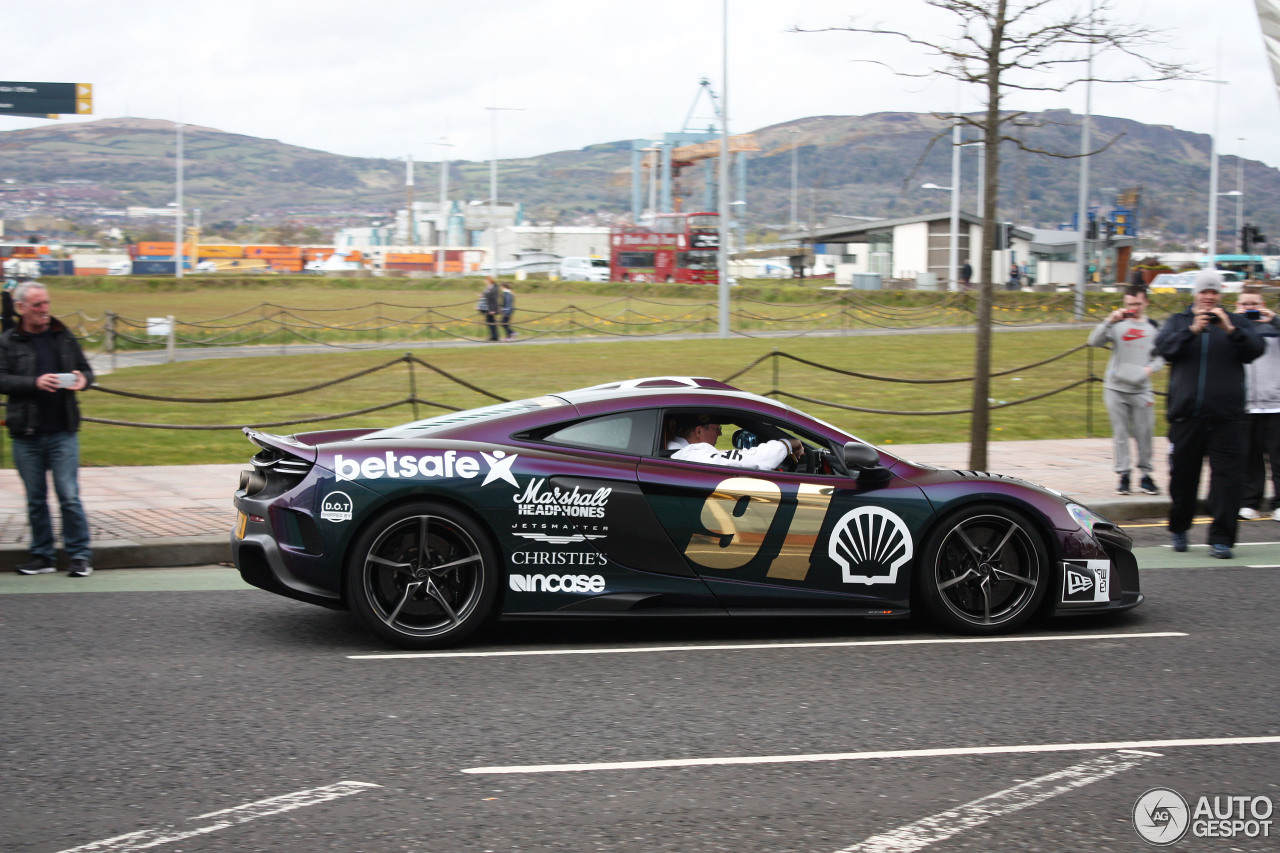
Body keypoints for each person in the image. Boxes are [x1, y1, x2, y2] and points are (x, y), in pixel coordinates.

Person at [1154, 269, 1264, 559]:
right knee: (1183, 479)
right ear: (1196, 293)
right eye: (1204, 292)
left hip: (1228, 419)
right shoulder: (1178, 321)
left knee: (1228, 482)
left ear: (1221, 295)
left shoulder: (1235, 323)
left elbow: (1255, 349)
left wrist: (1230, 329)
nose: (1209, 297)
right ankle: (1180, 526)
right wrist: (1191, 330)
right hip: (1187, 417)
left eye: (1214, 292)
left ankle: (1222, 539)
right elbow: (1163, 348)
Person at [0, 281, 95, 576]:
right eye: (38, 305)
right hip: (26, 433)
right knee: (35, 498)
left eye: (47, 303)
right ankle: (42, 556)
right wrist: (34, 382)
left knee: (69, 495)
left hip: (62, 431)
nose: (45, 310)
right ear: (21, 308)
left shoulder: (62, 335)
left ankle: (79, 556)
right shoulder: (9, 341)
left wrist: (83, 380)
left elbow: (86, 370)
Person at [1087, 284, 1163, 496]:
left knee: (1145, 433)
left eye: (1138, 303)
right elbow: (1093, 341)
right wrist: (1109, 321)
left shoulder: (1154, 327)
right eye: (1130, 304)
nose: (1134, 308)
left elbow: (1163, 354)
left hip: (1141, 388)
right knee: (1120, 433)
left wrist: (1149, 369)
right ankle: (1124, 475)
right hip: (1115, 387)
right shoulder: (1117, 324)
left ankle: (1146, 475)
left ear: (1145, 302)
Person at [1235, 286, 1280, 521]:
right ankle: (1251, 502)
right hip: (1246, 404)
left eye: (1255, 304)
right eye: (1245, 304)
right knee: (1250, 457)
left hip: (1275, 403)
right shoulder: (1234, 331)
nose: (1250, 308)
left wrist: (1275, 320)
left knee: (1277, 457)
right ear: (1237, 306)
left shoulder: (1275, 328)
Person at [666, 414, 802, 470]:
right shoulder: (690, 455)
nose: (720, 433)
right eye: (717, 429)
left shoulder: (673, 449)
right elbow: (750, 459)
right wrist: (788, 444)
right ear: (699, 431)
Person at [477, 277, 499, 342]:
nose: (485, 282)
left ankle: (495, 336)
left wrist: (492, 310)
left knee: (491, 322)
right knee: (489, 322)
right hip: (486, 307)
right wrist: (481, 296)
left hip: (491, 308)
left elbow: (494, 300)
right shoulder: (488, 287)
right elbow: (486, 296)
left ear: (490, 280)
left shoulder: (494, 288)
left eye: (486, 280)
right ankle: (493, 336)